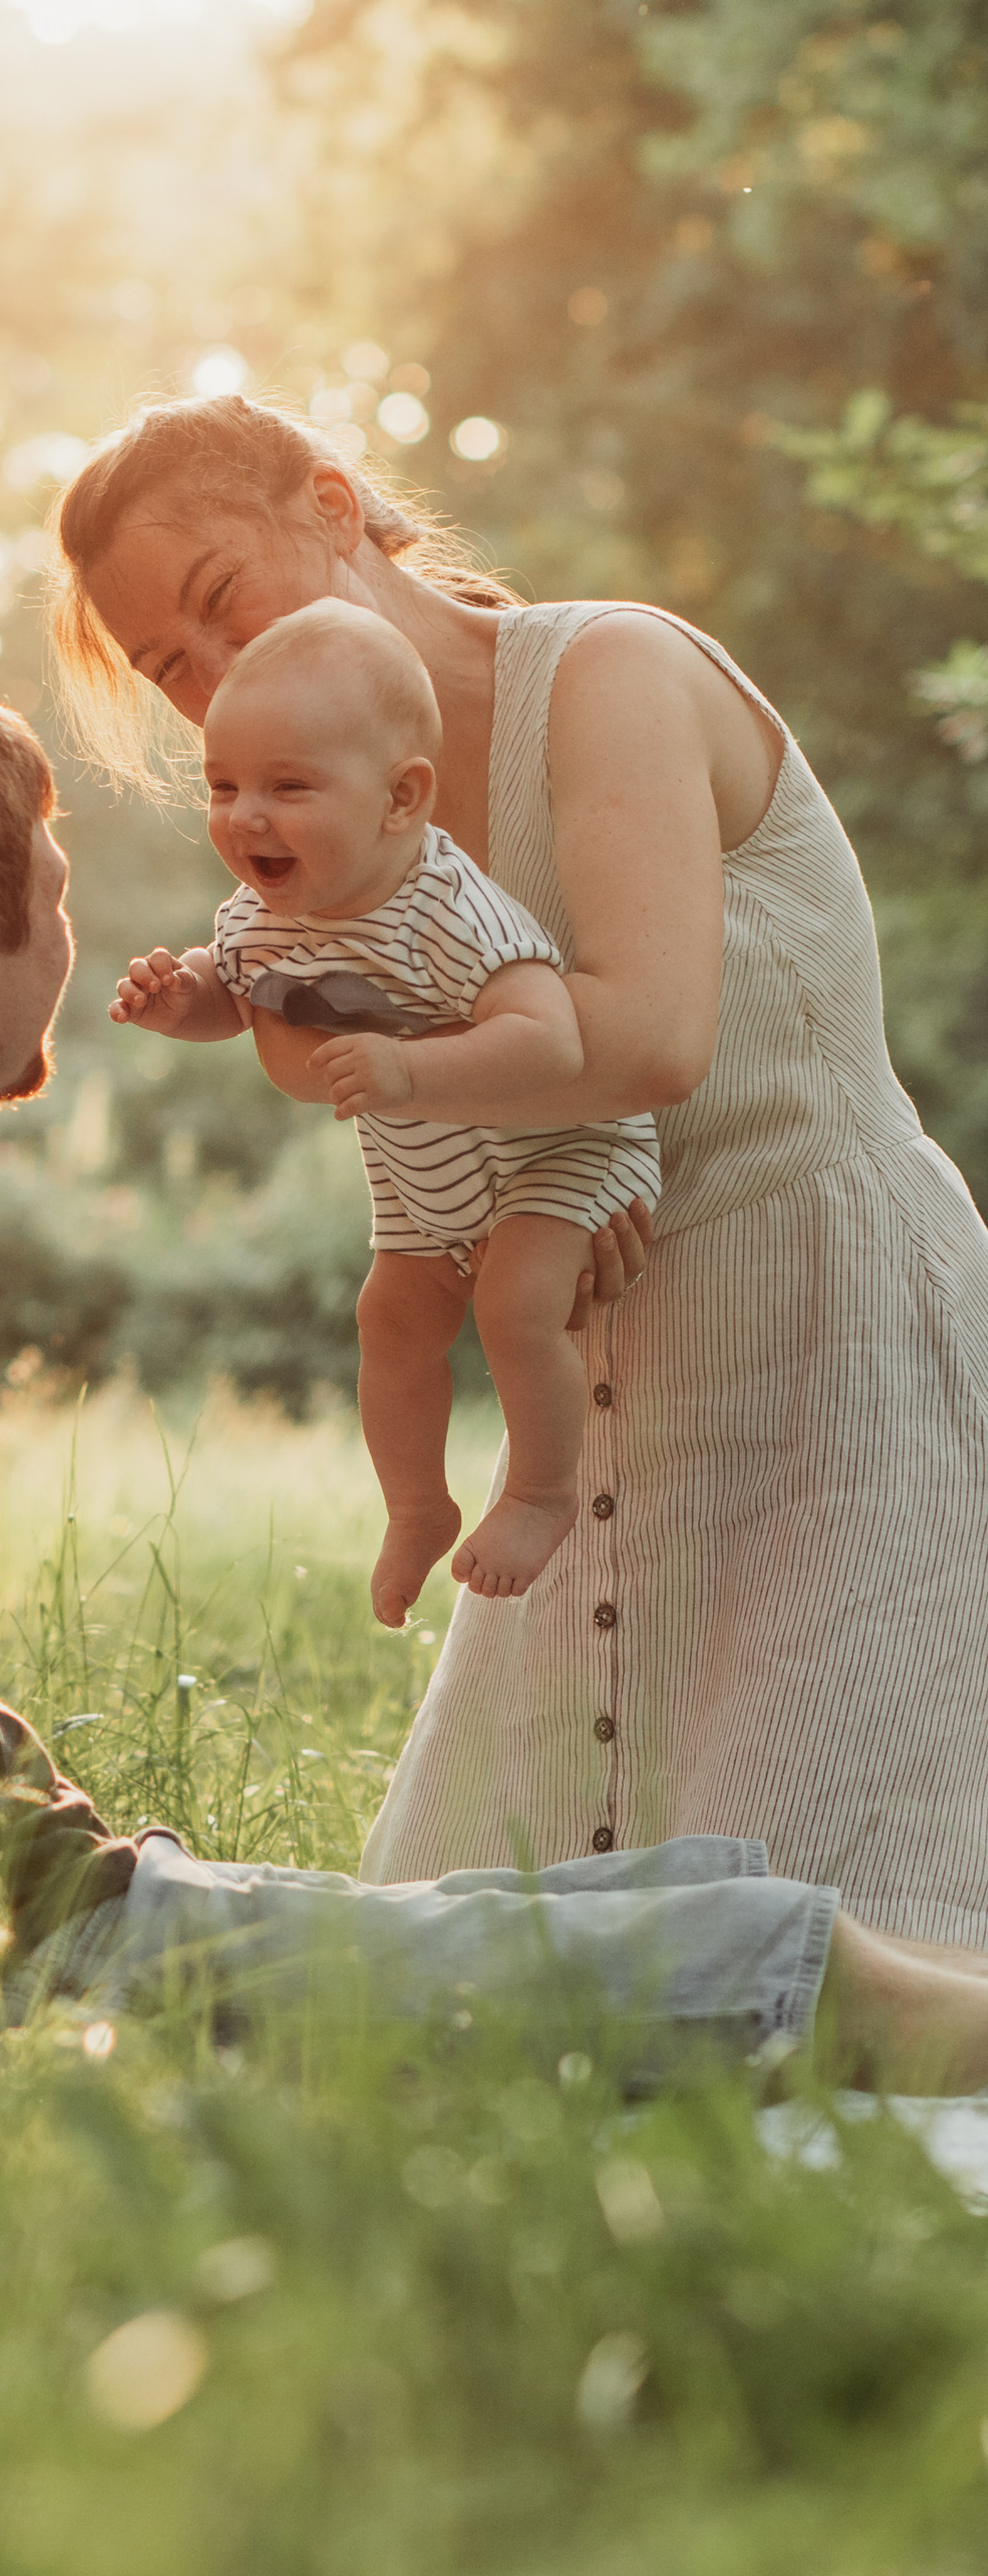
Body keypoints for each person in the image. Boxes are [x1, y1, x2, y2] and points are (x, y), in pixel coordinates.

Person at [0, 670, 988, 2096]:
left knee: (673, 1902)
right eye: (53, 905)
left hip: (14, 1909)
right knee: (730, 1965)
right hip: (0, 1958)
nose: (68, 942)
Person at [49, 392, 988, 1949]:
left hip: (834, 1348)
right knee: (510, 1971)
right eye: (173, 671)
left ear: (334, 507)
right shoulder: (338, 816)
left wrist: (408, 1079)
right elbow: (334, 1068)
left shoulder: (607, 671)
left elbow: (650, 1039)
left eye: (220, 605)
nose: (218, 682)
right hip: (610, 1374)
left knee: (852, 1927)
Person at [108, 597, 660, 1626]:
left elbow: (552, 1040)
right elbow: (236, 996)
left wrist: (412, 1073)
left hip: (558, 1152)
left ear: (403, 799)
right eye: (223, 786)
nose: (245, 817)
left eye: (289, 787)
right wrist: (179, 1000)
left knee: (512, 1303)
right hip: (427, 1181)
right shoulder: (259, 918)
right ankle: (416, 1505)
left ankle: (539, 1494)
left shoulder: (450, 907)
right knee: (389, 1320)